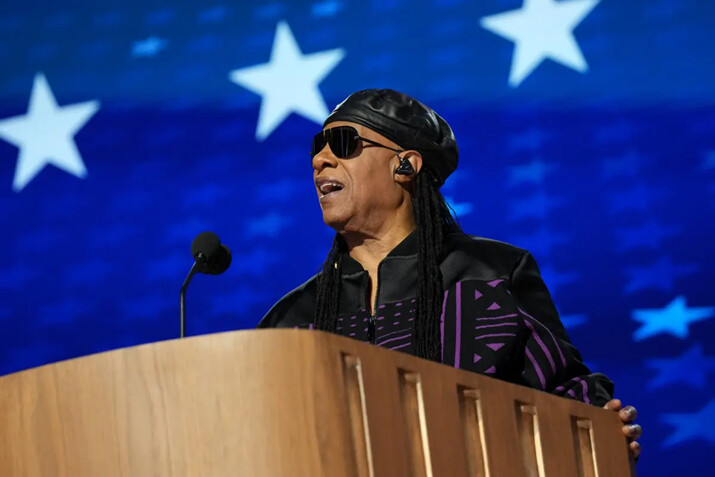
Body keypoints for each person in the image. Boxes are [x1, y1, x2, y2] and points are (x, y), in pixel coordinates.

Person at [257, 89, 641, 459]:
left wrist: (603, 429)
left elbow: (563, 392)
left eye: (342, 142)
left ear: (405, 165)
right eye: (316, 147)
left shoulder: (493, 274)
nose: (320, 160)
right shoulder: (292, 320)